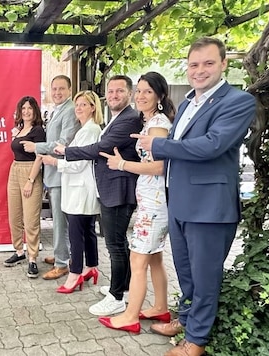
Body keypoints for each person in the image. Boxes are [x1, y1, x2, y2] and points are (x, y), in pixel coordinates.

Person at [133, 37, 256, 356]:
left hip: (209, 208)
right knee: (185, 272)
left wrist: (157, 145)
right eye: (194, 64)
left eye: (208, 63)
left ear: (224, 64)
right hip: (179, 201)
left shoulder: (237, 101)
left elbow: (213, 145)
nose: (200, 71)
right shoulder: (187, 103)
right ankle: (185, 320)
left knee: (205, 277)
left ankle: (196, 341)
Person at [55, 75, 142, 316]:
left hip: (118, 189)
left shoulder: (129, 119)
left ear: (130, 94)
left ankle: (116, 298)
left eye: (119, 91)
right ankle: (120, 288)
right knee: (117, 243)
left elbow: (98, 150)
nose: (114, 95)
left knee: (115, 245)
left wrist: (65, 152)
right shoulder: (119, 118)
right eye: (111, 91)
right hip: (110, 188)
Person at [97, 72, 175, 334]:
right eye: (139, 91)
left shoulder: (158, 125)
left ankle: (130, 316)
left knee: (137, 261)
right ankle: (160, 307)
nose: (141, 96)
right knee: (154, 259)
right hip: (150, 202)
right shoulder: (150, 122)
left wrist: (122, 164)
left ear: (160, 96)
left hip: (154, 205)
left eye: (148, 92)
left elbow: (160, 166)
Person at [41, 90, 102, 293]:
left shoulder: (90, 131)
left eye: (84, 104)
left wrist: (55, 161)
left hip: (80, 191)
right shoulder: (86, 129)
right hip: (81, 190)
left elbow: (79, 164)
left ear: (93, 107)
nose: (79, 108)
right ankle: (91, 267)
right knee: (88, 231)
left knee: (77, 234)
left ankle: (74, 274)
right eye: (77, 105)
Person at [21, 75, 81, 280]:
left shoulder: (70, 110)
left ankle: (62, 263)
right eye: (54, 89)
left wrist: (35, 146)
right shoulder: (58, 110)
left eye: (61, 89)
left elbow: (63, 142)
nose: (57, 92)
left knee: (60, 221)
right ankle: (61, 254)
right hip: (53, 175)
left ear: (69, 90)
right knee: (59, 219)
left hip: (61, 174)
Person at [3, 96, 46, 278]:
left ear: (35, 110)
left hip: (31, 173)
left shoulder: (38, 131)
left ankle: (33, 258)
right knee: (15, 216)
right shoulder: (20, 130)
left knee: (31, 219)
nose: (26, 111)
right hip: (14, 170)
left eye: (29, 108)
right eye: (23, 108)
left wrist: (30, 180)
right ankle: (19, 251)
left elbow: (40, 156)